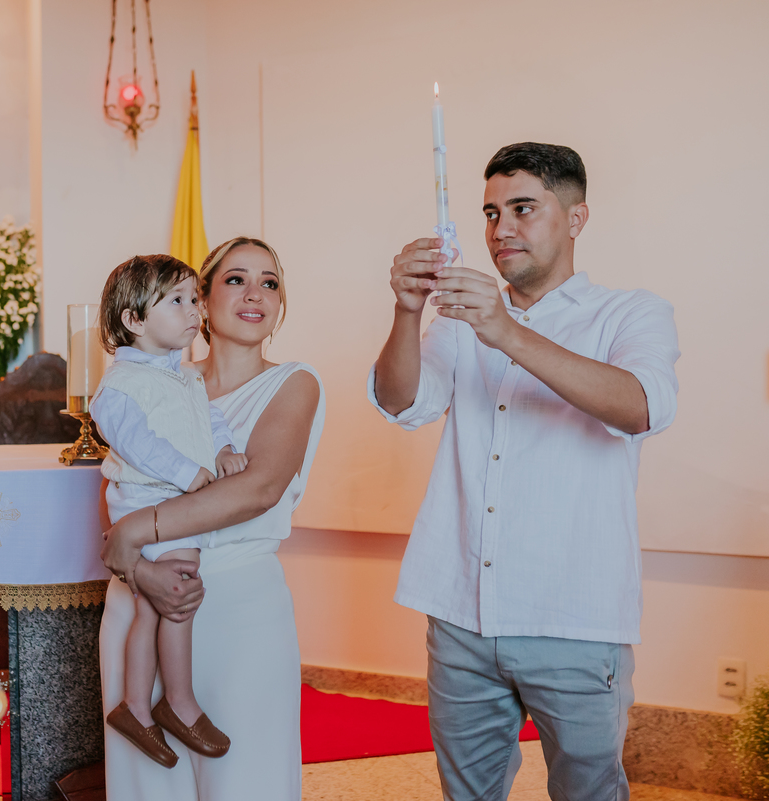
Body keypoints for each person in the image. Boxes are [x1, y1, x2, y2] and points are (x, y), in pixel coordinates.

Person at [369, 142, 680, 800]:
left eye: (522, 208)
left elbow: (640, 405)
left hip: (575, 616)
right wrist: (405, 309)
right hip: (459, 611)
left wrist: (504, 330)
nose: (499, 228)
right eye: (489, 211)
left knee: (588, 791)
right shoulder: (458, 321)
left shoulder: (631, 312)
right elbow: (402, 401)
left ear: (575, 217)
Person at [99, 237, 324, 800]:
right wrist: (136, 567)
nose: (255, 294)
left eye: (269, 283)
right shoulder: (157, 382)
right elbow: (119, 481)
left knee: (244, 782)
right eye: (236, 279)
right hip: (141, 593)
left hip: (240, 606)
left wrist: (135, 533)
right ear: (199, 298)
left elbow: (257, 489)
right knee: (149, 786)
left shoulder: (294, 382)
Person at [91, 254, 246, 768]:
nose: (193, 311)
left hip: (172, 500)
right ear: (134, 321)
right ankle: (178, 704)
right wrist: (188, 475)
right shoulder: (120, 384)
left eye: (194, 300)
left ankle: (136, 707)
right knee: (178, 599)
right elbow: (136, 443)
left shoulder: (183, 377)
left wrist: (222, 451)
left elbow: (210, 418)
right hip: (149, 499)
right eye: (177, 301)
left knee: (153, 607)